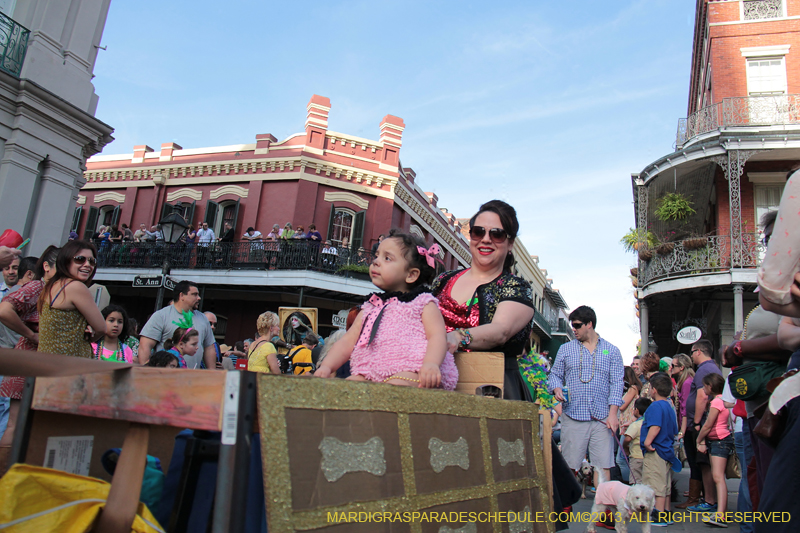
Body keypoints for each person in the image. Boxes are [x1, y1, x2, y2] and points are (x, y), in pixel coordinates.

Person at [315, 230, 458, 389]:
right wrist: (327, 366)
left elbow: (437, 336)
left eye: (387, 258)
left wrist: (431, 363)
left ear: (411, 275)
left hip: (415, 369)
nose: (376, 261)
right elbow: (348, 341)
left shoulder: (423, 303)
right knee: (349, 387)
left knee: (395, 386)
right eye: (376, 256)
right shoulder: (371, 306)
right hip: (372, 371)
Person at [431, 200, 535, 398]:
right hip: (435, 386)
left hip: (493, 392)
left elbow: (500, 331)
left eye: (497, 234)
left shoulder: (516, 288)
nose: (486, 239)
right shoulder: (443, 280)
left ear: (510, 243)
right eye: (479, 232)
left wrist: (458, 337)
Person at [548, 305, 624, 481]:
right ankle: (566, 508)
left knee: (603, 466)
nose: (573, 329)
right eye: (572, 325)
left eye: (577, 325)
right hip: (573, 415)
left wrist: (613, 415)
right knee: (569, 466)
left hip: (602, 418)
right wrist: (557, 388)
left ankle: (602, 506)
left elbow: (617, 384)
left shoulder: (612, 351)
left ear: (589, 324)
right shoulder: (566, 349)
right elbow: (555, 375)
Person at [0, 247, 58, 453]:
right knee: (13, 424)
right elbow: (4, 311)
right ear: (46, 268)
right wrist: (30, 334)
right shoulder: (37, 287)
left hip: (30, 363)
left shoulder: (56, 291)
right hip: (24, 362)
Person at [37, 240, 106, 358]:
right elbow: (101, 328)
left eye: (92, 261)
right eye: (80, 259)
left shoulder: (52, 285)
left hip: (46, 363)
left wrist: (83, 327)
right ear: (66, 261)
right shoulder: (76, 287)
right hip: (69, 366)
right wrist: (88, 336)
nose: (87, 265)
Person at [138, 280, 216, 369]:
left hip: (193, 378)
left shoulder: (203, 318)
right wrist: (147, 372)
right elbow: (145, 345)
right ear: (181, 295)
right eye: (194, 294)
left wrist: (212, 374)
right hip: (165, 378)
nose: (199, 298)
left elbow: (209, 348)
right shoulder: (161, 316)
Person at [684, 339, 722, 513]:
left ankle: (709, 500)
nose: (691, 356)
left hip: (701, 424)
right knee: (703, 463)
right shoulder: (711, 368)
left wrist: (697, 422)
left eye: (692, 352)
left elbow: (702, 397)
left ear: (698, 351)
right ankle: (707, 498)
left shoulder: (703, 370)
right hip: (705, 422)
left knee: (703, 462)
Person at [641, 372, 681, 526]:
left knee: (655, 484)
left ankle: (658, 515)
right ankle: (666, 512)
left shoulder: (655, 406)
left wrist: (647, 442)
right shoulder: (669, 406)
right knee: (665, 484)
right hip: (667, 450)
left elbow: (655, 426)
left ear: (654, 390)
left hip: (656, 450)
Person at [695, 373, 733, 527]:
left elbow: (708, 425)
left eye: (705, 386)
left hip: (719, 441)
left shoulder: (716, 402)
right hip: (721, 440)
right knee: (718, 477)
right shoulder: (722, 400)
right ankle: (721, 512)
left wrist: (699, 439)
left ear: (710, 386)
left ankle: (721, 514)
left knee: (717, 477)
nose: (704, 389)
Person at [616, 366, 642, 482]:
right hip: (625, 425)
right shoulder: (634, 388)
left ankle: (629, 483)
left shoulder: (632, 388)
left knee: (621, 459)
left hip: (628, 426)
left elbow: (621, 405)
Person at [623, 397, 651, 485]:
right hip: (647, 457)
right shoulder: (650, 423)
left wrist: (625, 447)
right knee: (646, 481)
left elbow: (628, 438)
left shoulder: (635, 425)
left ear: (637, 410)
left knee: (635, 481)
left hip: (636, 457)